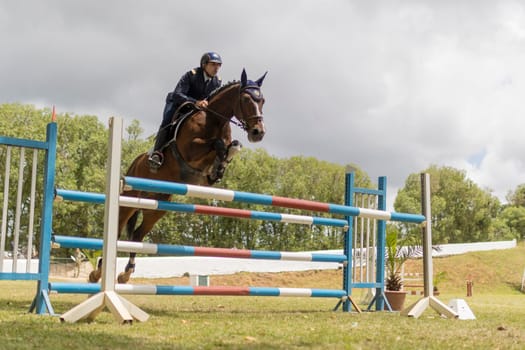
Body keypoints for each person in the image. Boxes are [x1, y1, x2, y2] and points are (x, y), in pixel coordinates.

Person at [148, 52, 223, 169]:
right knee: (168, 122)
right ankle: (157, 153)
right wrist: (196, 102)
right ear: (204, 64)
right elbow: (178, 94)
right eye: (213, 64)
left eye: (219, 65)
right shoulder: (191, 75)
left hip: (197, 109)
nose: (216, 68)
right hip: (177, 103)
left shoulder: (217, 82)